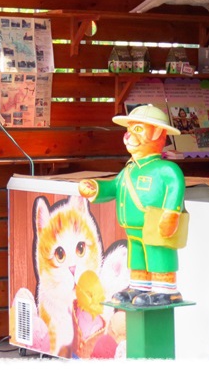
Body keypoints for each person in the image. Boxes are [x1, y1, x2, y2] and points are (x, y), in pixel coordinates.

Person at [79, 105, 187, 307]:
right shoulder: (129, 170)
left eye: (138, 129)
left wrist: (171, 214)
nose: (129, 135)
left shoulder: (167, 169)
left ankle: (165, 290)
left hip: (155, 226)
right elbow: (113, 187)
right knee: (136, 255)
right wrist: (95, 188)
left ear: (157, 133)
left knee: (158, 252)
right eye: (129, 129)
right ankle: (139, 286)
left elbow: (175, 188)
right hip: (133, 229)